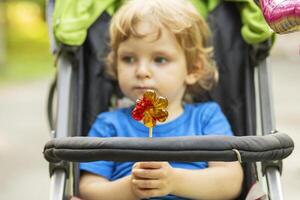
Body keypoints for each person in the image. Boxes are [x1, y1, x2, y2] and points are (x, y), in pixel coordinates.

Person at [78, 0, 243, 199]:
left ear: (193, 69)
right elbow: (88, 188)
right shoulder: (109, 125)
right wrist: (131, 188)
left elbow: (231, 182)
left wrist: (173, 181)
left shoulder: (207, 118)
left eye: (160, 59)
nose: (141, 71)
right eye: (129, 58)